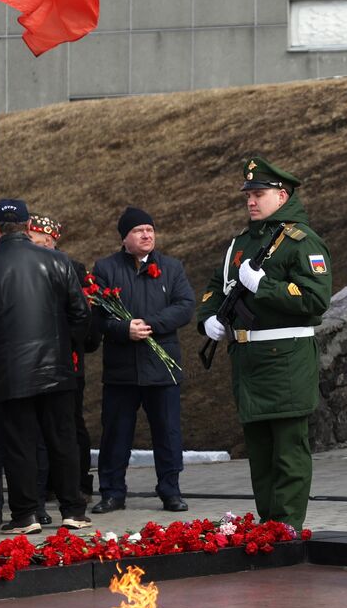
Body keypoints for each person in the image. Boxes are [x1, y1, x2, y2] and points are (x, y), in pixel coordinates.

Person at [197, 159, 331, 530]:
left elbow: (315, 299)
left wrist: (264, 286)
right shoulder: (241, 243)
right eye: (249, 196)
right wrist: (208, 317)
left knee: (288, 450)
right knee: (260, 452)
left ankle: (286, 524)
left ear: (282, 195)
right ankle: (268, 523)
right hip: (248, 360)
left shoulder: (300, 241)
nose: (251, 202)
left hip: (286, 359)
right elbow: (215, 286)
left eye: (259, 195)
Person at [0, 199, 92, 535]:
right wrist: (72, 350)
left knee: (19, 445)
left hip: (8, 375)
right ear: (27, 224)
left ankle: (26, 514)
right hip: (57, 370)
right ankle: (73, 509)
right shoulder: (58, 261)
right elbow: (81, 315)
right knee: (63, 441)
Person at [92, 208, 194, 513]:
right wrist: (124, 328)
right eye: (139, 231)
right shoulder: (106, 268)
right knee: (116, 432)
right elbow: (96, 317)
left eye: (150, 229)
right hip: (122, 370)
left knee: (167, 431)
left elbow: (185, 306)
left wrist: (149, 324)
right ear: (124, 238)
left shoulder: (171, 268)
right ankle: (112, 492)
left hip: (161, 368)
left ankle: (170, 490)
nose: (147, 235)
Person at [29, 214, 100, 502]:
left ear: (48, 241)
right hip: (37, 361)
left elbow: (84, 318)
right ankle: (46, 483)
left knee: (70, 423)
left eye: (33, 240)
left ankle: (78, 482)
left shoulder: (73, 268)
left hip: (67, 359)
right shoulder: (28, 266)